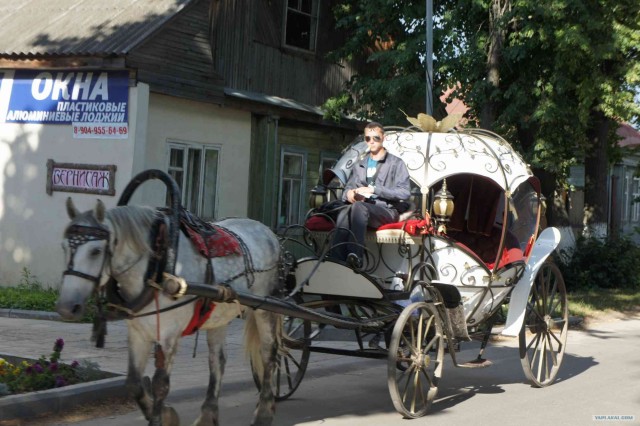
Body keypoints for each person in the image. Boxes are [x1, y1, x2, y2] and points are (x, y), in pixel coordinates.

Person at [331, 122, 411, 263]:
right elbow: (347, 189)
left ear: (383, 138)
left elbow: (404, 192)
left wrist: (374, 189)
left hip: (387, 210)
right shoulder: (359, 164)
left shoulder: (396, 163)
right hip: (362, 209)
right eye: (368, 138)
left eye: (376, 138)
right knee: (345, 210)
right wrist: (349, 194)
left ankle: (355, 257)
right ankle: (335, 259)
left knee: (358, 208)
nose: (371, 141)